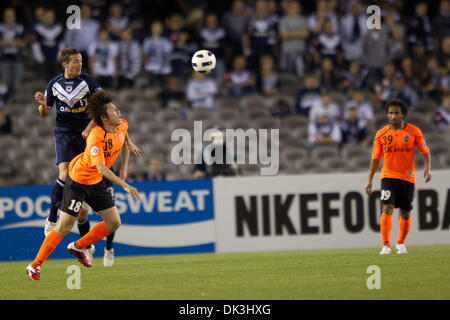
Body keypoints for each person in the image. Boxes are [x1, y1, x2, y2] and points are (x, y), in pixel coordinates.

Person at [26, 90, 141, 281]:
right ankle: (35, 265)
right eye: (114, 111)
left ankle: (78, 246)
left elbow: (124, 135)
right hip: (78, 181)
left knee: (114, 222)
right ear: (104, 118)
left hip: (95, 183)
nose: (118, 112)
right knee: (63, 227)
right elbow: (102, 169)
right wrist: (126, 185)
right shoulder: (96, 136)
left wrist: (129, 145)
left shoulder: (121, 125)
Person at [365, 98, 431, 255]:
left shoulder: (414, 131)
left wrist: (427, 169)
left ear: (403, 115)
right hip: (388, 176)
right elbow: (375, 158)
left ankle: (400, 243)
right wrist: (369, 180)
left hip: (407, 178)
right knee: (387, 208)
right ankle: (385, 245)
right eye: (390, 113)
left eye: (396, 113)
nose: (393, 116)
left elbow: (425, 151)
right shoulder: (381, 134)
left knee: (405, 212)